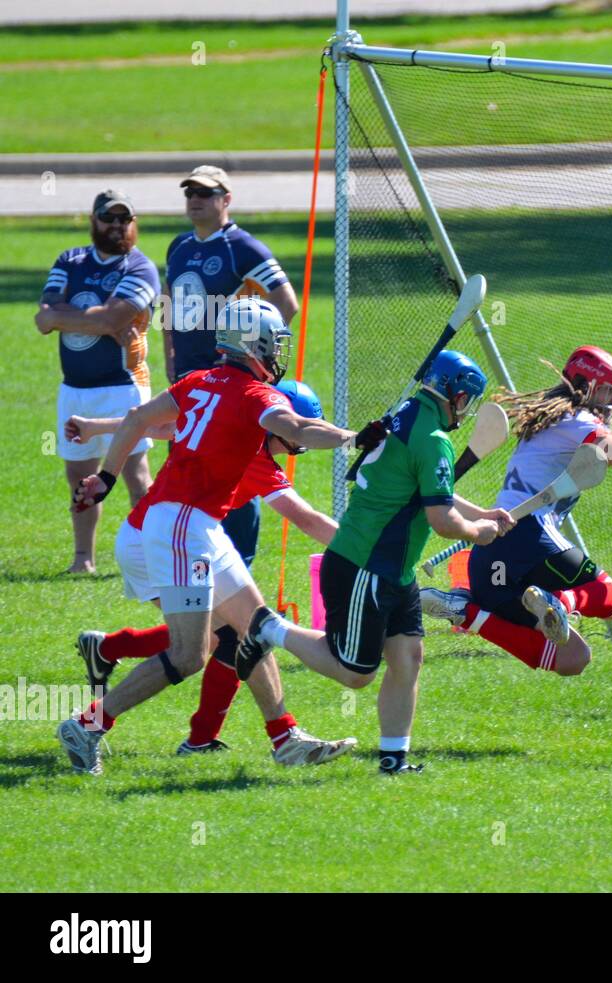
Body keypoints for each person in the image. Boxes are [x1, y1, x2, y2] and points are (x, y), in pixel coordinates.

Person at [56, 299, 370, 775]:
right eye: (276, 342)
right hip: (183, 525)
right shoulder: (258, 397)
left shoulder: (200, 380)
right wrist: (356, 437)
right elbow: (299, 427)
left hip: (187, 524)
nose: (280, 352)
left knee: (255, 625)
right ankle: (88, 725)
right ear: (257, 344)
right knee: (189, 655)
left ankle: (285, 737)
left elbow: (141, 419)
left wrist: (106, 478)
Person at [234, 350, 515, 775]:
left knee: (408, 658)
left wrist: (482, 514)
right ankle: (268, 627)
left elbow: (426, 488)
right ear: (455, 395)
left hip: (390, 568)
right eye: (465, 399)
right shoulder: (434, 439)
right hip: (366, 565)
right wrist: (480, 534)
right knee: (355, 673)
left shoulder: (404, 416)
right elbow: (441, 520)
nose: (465, 408)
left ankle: (393, 759)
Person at [420, 346, 612, 677]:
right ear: (587, 387)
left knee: (573, 658)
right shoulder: (575, 420)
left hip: (490, 546)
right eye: (608, 390)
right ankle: (562, 604)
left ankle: (464, 611)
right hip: (528, 533)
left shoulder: (560, 421)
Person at [162, 164, 300, 571]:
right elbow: (170, 304)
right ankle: (192, 557)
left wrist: (252, 356)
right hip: (188, 379)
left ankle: (240, 565)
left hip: (229, 380)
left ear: (226, 199)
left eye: (205, 193)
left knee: (236, 475)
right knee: (185, 467)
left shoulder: (242, 248)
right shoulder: (179, 247)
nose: (196, 200)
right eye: (190, 193)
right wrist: (169, 354)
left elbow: (286, 302)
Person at [36, 189, 158, 574]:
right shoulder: (68, 261)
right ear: (94, 220)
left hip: (124, 386)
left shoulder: (140, 268)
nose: (118, 226)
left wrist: (64, 316)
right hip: (74, 389)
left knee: (135, 474)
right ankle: (82, 559)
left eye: (125, 219)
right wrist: (97, 318)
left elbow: (112, 320)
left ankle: (154, 555)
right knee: (79, 475)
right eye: (109, 218)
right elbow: (43, 319)